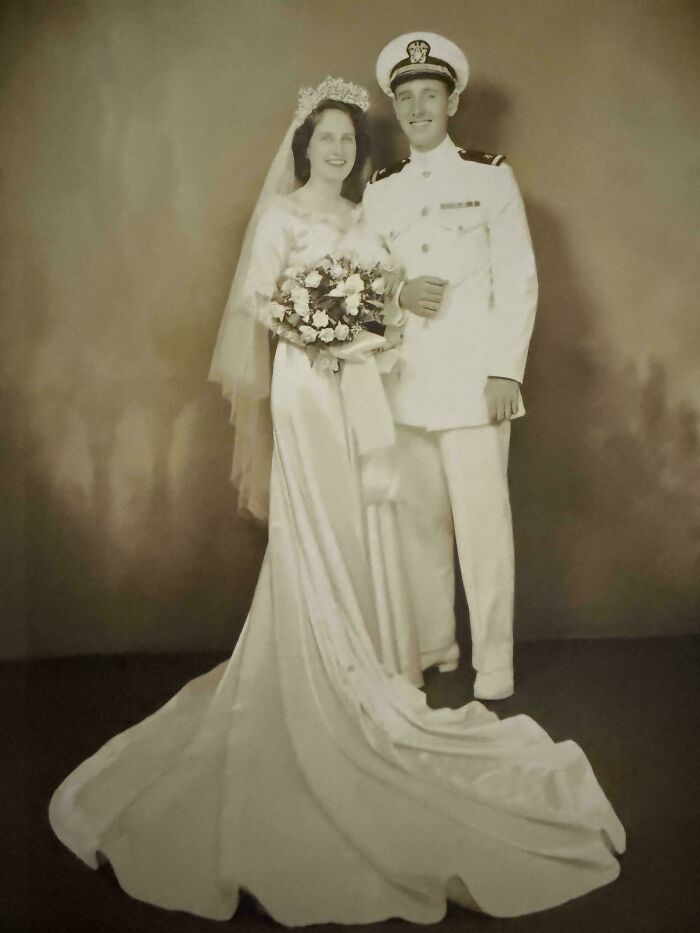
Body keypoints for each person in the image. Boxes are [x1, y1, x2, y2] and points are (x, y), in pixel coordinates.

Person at [48, 77, 624, 926]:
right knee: (329, 519)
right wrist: (323, 322)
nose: (339, 152)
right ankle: (332, 653)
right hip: (309, 388)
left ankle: (409, 654)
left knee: (380, 521)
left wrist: (374, 315)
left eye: (348, 142)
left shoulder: (373, 212)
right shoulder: (286, 216)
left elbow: (418, 294)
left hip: (362, 388)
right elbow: (266, 301)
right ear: (302, 147)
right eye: (325, 141)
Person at [363, 33, 538, 701]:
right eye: (404, 98)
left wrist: (506, 371)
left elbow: (517, 278)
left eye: (428, 96)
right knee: (418, 526)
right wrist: (397, 293)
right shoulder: (381, 190)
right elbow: (369, 272)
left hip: (474, 384)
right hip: (405, 384)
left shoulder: (490, 175)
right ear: (396, 106)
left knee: (484, 529)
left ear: (452, 101)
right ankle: (437, 646)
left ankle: (495, 664)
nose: (416, 109)